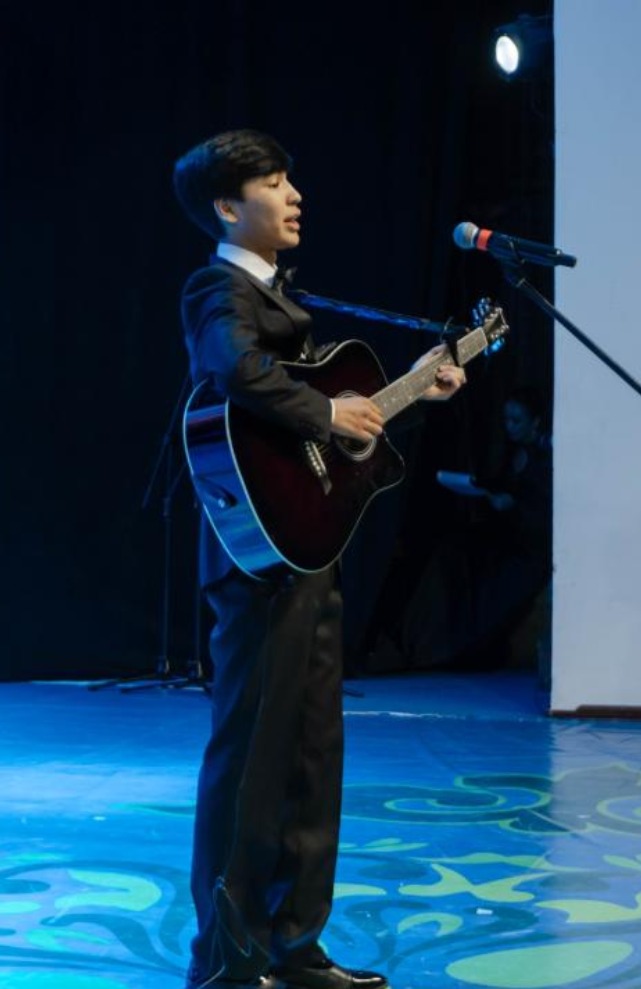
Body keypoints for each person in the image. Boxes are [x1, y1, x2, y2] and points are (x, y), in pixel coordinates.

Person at [172, 128, 466, 989]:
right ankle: (226, 960)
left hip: (307, 550)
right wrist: (326, 414)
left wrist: (407, 392)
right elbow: (234, 369)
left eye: (289, 179)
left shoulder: (282, 296)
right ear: (228, 206)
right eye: (273, 182)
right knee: (251, 757)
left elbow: (318, 444)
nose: (294, 193)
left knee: (311, 753)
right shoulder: (217, 287)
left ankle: (295, 946)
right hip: (258, 562)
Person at [402, 385, 552, 673]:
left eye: (517, 420)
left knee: (493, 583)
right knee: (456, 553)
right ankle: (440, 647)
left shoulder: (544, 459)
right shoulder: (512, 452)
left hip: (529, 547)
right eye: (506, 419)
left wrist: (512, 504)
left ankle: (472, 648)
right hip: (506, 536)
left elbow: (538, 508)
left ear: (535, 421)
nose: (510, 427)